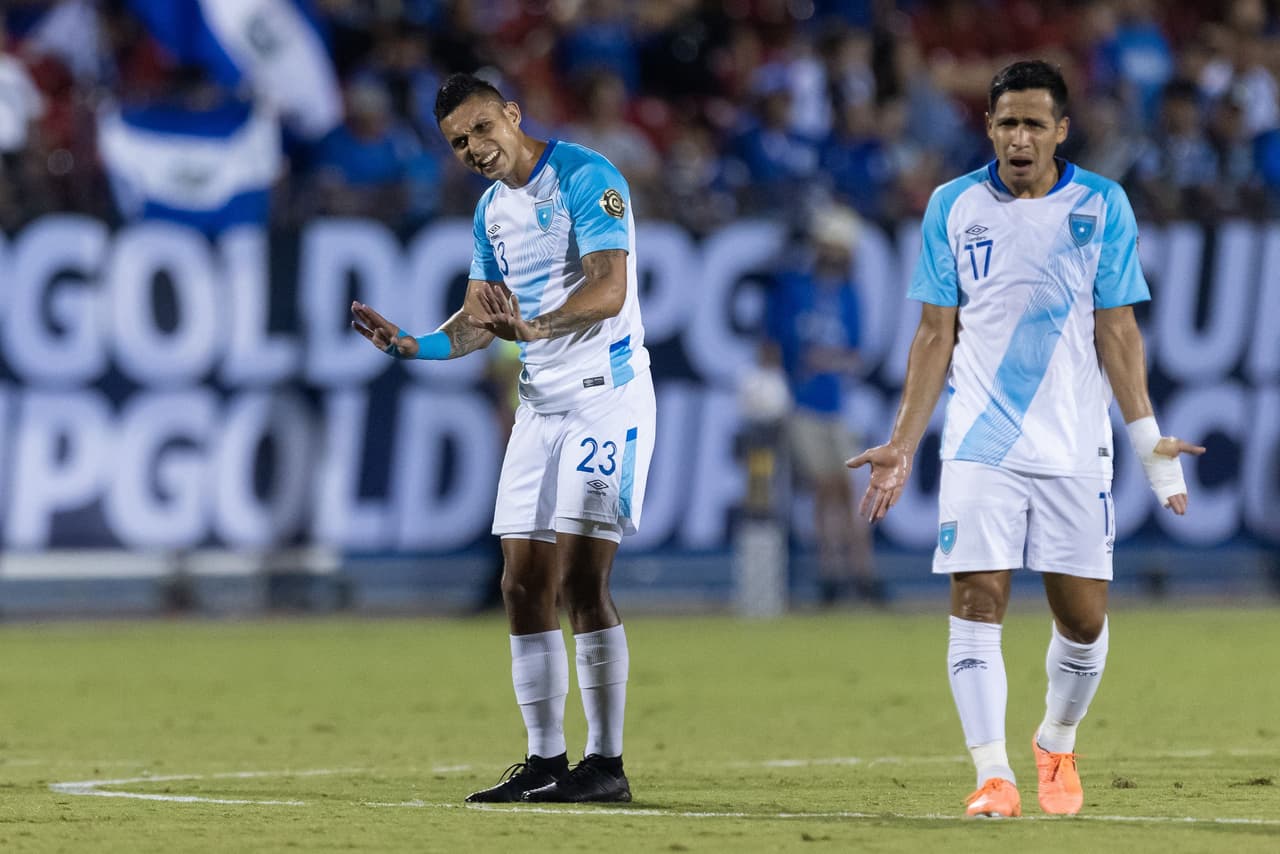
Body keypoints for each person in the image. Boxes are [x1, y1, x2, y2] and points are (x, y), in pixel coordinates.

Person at [848, 60, 1205, 819]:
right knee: (977, 599)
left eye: (1034, 124)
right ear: (989, 128)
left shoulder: (1102, 205)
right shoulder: (951, 206)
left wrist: (1148, 447)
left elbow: (1119, 333)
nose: (1020, 137)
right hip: (981, 443)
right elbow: (933, 334)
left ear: (1062, 130)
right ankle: (992, 775)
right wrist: (902, 443)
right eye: (1007, 122)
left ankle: (1056, 739)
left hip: (1075, 448)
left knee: (1083, 621)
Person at [350, 72, 654, 804]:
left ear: (513, 115)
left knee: (584, 580)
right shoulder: (490, 214)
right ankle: (545, 759)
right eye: (458, 142)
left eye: (483, 129)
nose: (475, 148)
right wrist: (411, 346)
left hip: (604, 400)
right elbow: (478, 321)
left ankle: (605, 764)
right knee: (520, 584)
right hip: (539, 408)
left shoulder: (587, 175)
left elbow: (609, 286)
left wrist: (538, 326)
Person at [761, 203, 884, 605]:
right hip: (804, 403)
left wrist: (826, 360)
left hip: (836, 403)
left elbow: (855, 350)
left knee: (848, 490)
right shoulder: (795, 288)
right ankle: (832, 571)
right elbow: (773, 345)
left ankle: (860, 572)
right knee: (826, 489)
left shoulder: (847, 293)